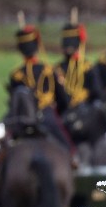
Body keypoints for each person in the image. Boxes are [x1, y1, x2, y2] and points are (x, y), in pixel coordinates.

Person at [7, 24, 73, 152]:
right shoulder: (49, 70)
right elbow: (63, 101)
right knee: (67, 147)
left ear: (20, 49)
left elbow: (14, 103)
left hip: (23, 120)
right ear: (37, 46)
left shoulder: (15, 75)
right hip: (47, 116)